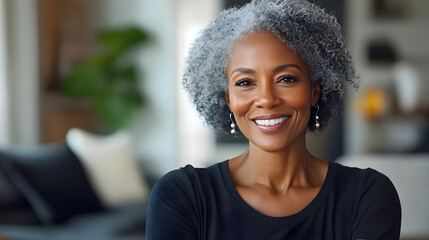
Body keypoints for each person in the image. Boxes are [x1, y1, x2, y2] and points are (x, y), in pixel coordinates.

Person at [146, 0, 401, 239]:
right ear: (228, 100)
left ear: (314, 91)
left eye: (286, 79)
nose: (266, 99)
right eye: (245, 82)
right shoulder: (181, 196)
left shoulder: (367, 195)